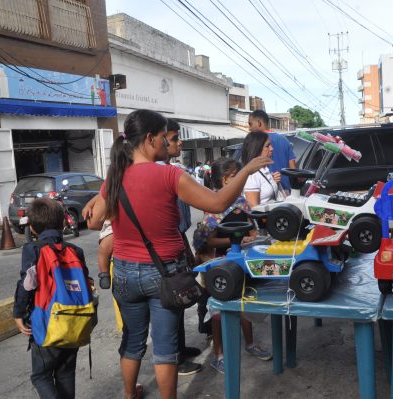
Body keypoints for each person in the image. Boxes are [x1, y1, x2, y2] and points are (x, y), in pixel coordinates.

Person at [84, 109, 271, 399]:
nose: (165, 142)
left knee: (132, 341)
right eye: (163, 137)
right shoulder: (170, 174)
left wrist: (100, 194)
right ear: (149, 139)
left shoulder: (115, 176)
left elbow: (94, 222)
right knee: (165, 348)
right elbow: (218, 201)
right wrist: (246, 170)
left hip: (122, 271)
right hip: (162, 273)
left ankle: (129, 394)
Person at [192, 157, 272, 375]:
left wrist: (253, 236)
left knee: (244, 303)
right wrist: (234, 241)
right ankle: (219, 354)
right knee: (218, 312)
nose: (243, 179)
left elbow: (252, 229)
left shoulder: (242, 202)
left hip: (241, 262)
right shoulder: (214, 206)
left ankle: (249, 344)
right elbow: (207, 241)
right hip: (220, 264)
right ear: (226, 180)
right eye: (238, 175)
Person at [13, 198, 89, 399]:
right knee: (65, 375)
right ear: (63, 223)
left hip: (46, 324)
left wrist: (18, 313)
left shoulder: (33, 250)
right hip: (75, 322)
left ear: (33, 229)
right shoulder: (75, 251)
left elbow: (26, 285)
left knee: (40, 375)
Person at [155, 118, 202, 376]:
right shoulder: (161, 175)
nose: (179, 142)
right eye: (174, 138)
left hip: (179, 245)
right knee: (171, 306)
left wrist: (188, 251)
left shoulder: (174, 170)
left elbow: (181, 223)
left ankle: (181, 349)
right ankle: (175, 358)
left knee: (180, 298)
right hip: (165, 255)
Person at [248, 109, 297, 194]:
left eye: (250, 124)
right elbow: (293, 169)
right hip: (286, 190)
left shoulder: (254, 143)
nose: (249, 128)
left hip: (264, 191)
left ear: (259, 123)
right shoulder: (285, 140)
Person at [242, 131, 285, 207]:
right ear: (256, 149)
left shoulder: (264, 169)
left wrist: (274, 181)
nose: (272, 148)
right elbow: (254, 209)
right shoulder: (252, 175)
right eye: (267, 146)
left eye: (271, 145)